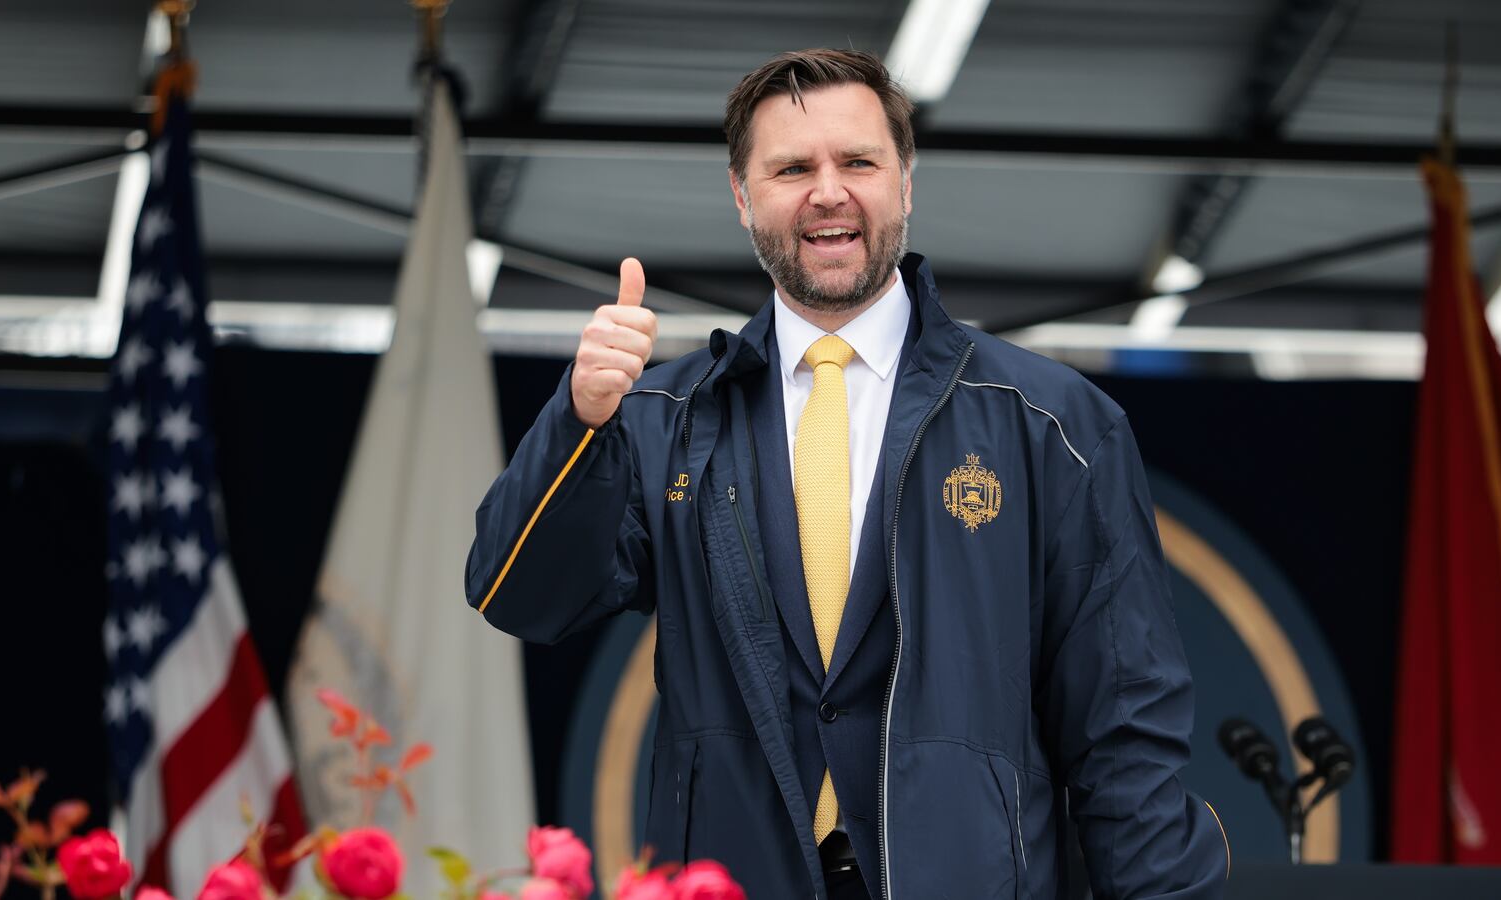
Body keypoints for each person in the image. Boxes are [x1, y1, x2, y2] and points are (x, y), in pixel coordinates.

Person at [466, 49, 1228, 900]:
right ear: (743, 197)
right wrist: (580, 421)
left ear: (904, 181)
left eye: (857, 162)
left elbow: (1122, 732)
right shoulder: (661, 419)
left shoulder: (1054, 424)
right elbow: (519, 596)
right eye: (792, 168)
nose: (828, 192)